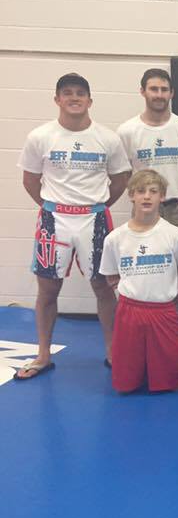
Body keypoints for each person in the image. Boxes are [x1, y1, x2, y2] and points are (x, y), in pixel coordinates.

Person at [16, 73, 131, 379]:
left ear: (90, 100)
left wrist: (98, 205)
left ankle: (113, 351)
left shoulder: (108, 138)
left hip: (94, 218)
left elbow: (120, 180)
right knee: (48, 288)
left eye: (80, 93)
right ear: (57, 99)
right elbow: (30, 180)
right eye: (67, 93)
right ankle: (43, 354)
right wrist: (52, 207)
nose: (74, 98)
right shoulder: (40, 136)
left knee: (104, 286)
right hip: (54, 219)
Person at [117, 68, 178, 349]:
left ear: (172, 93)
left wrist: (171, 194)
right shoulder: (127, 131)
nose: (159, 94)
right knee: (144, 270)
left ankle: (177, 335)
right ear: (142, 91)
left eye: (164, 89)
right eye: (153, 89)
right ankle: (144, 334)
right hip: (143, 213)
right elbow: (124, 172)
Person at [98, 170, 178, 393]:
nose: (147, 196)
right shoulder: (115, 238)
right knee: (126, 383)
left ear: (162, 196)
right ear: (131, 195)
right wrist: (131, 292)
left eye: (153, 191)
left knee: (168, 382)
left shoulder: (176, 235)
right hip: (130, 310)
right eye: (141, 191)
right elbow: (111, 276)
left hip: (164, 310)